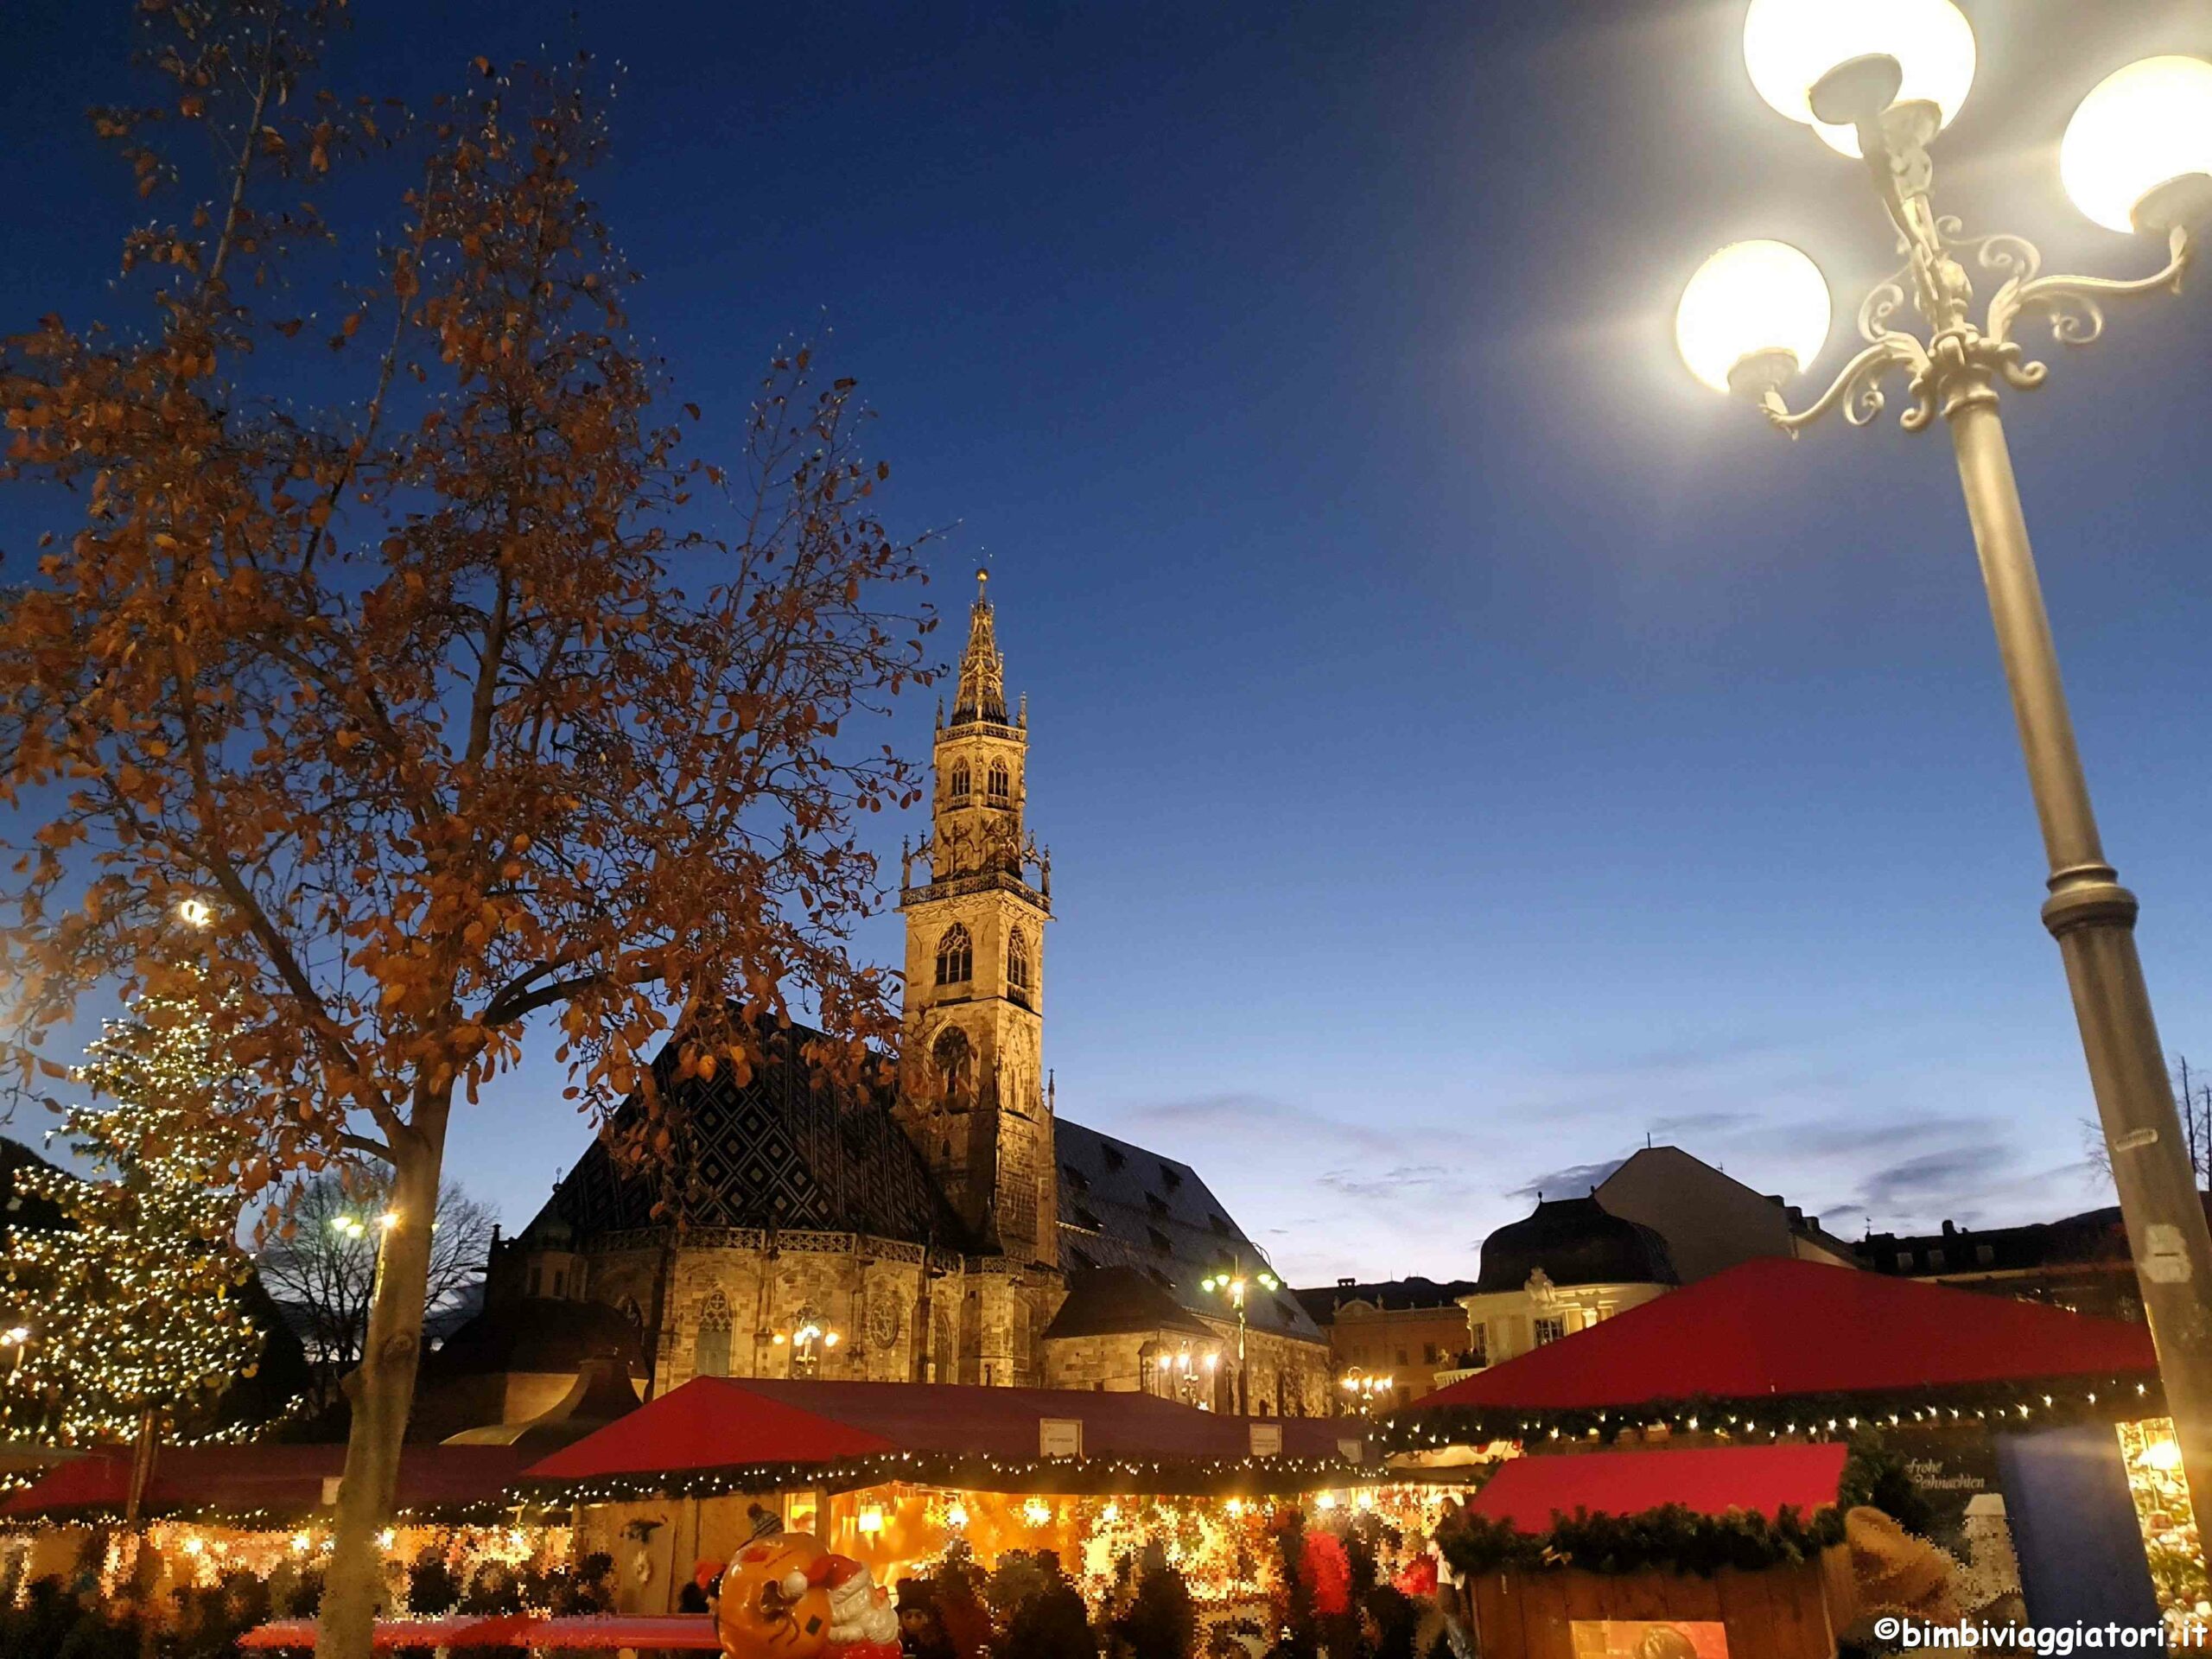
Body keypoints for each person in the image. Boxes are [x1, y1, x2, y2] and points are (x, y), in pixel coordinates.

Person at [897, 1579, 957, 1659]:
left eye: (919, 1616)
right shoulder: (895, 1641)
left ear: (928, 1617)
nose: (913, 1622)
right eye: (908, 1616)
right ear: (901, 1618)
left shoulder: (939, 1644)